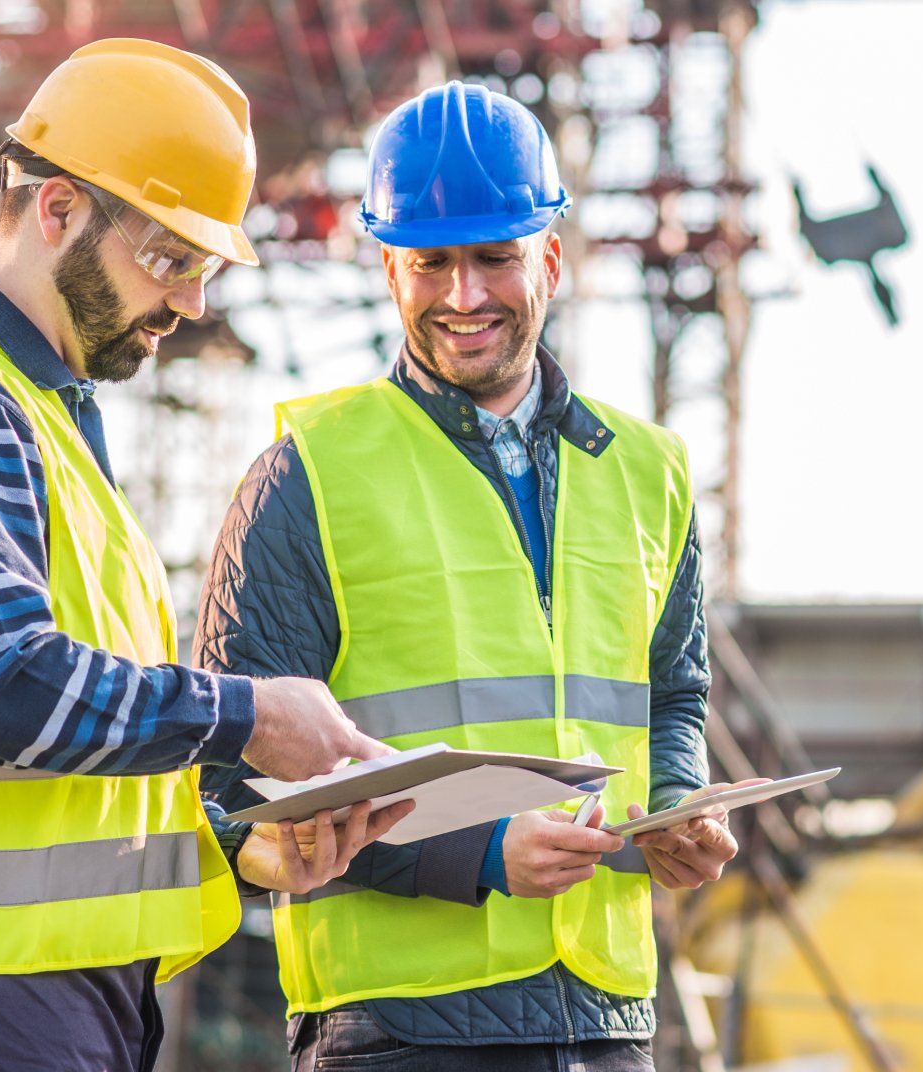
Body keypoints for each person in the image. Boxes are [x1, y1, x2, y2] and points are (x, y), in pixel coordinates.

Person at [0, 39, 410, 1071]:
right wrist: (254, 716)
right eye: (169, 257)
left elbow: (70, 763)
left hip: (39, 994)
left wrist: (246, 849)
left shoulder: (42, 424)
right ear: (57, 211)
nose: (190, 301)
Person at [196, 81, 763, 1071]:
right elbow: (237, 789)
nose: (464, 297)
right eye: (432, 265)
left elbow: (672, 693)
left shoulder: (648, 470)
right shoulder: (308, 476)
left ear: (548, 256)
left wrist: (680, 801)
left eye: (493, 258)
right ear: (389, 270)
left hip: (604, 1013)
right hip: (395, 1029)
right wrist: (479, 853)